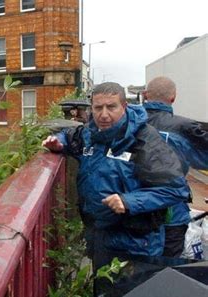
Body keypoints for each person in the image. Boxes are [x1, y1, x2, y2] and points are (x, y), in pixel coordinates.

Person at [42, 82, 191, 263]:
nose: (104, 115)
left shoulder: (144, 140)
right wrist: (58, 142)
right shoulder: (90, 133)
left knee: (133, 291)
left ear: (124, 107)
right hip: (99, 238)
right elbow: (69, 135)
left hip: (136, 245)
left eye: (111, 107)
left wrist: (129, 201)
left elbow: (176, 190)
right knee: (102, 289)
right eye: (98, 108)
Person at [142, 76, 208, 257]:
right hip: (171, 213)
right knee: (167, 269)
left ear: (145, 95)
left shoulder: (127, 123)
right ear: (173, 97)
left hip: (132, 210)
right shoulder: (184, 128)